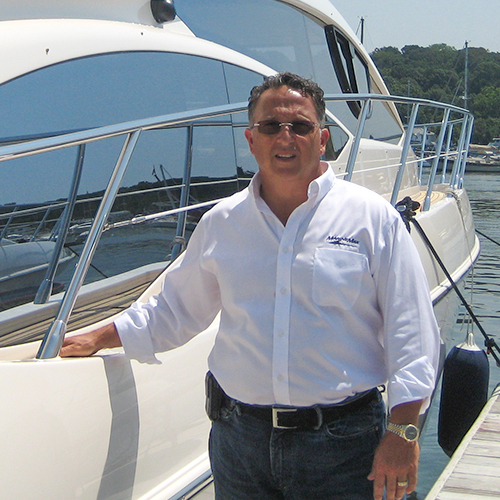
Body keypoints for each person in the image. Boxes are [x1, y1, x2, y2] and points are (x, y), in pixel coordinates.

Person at [61, 72, 440, 500]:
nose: (285, 136)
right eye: (271, 126)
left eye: (300, 126)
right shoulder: (222, 222)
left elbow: (413, 334)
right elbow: (175, 309)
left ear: (322, 139)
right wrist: (101, 335)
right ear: (251, 138)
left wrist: (403, 433)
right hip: (239, 443)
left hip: (343, 446)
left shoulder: (373, 219)